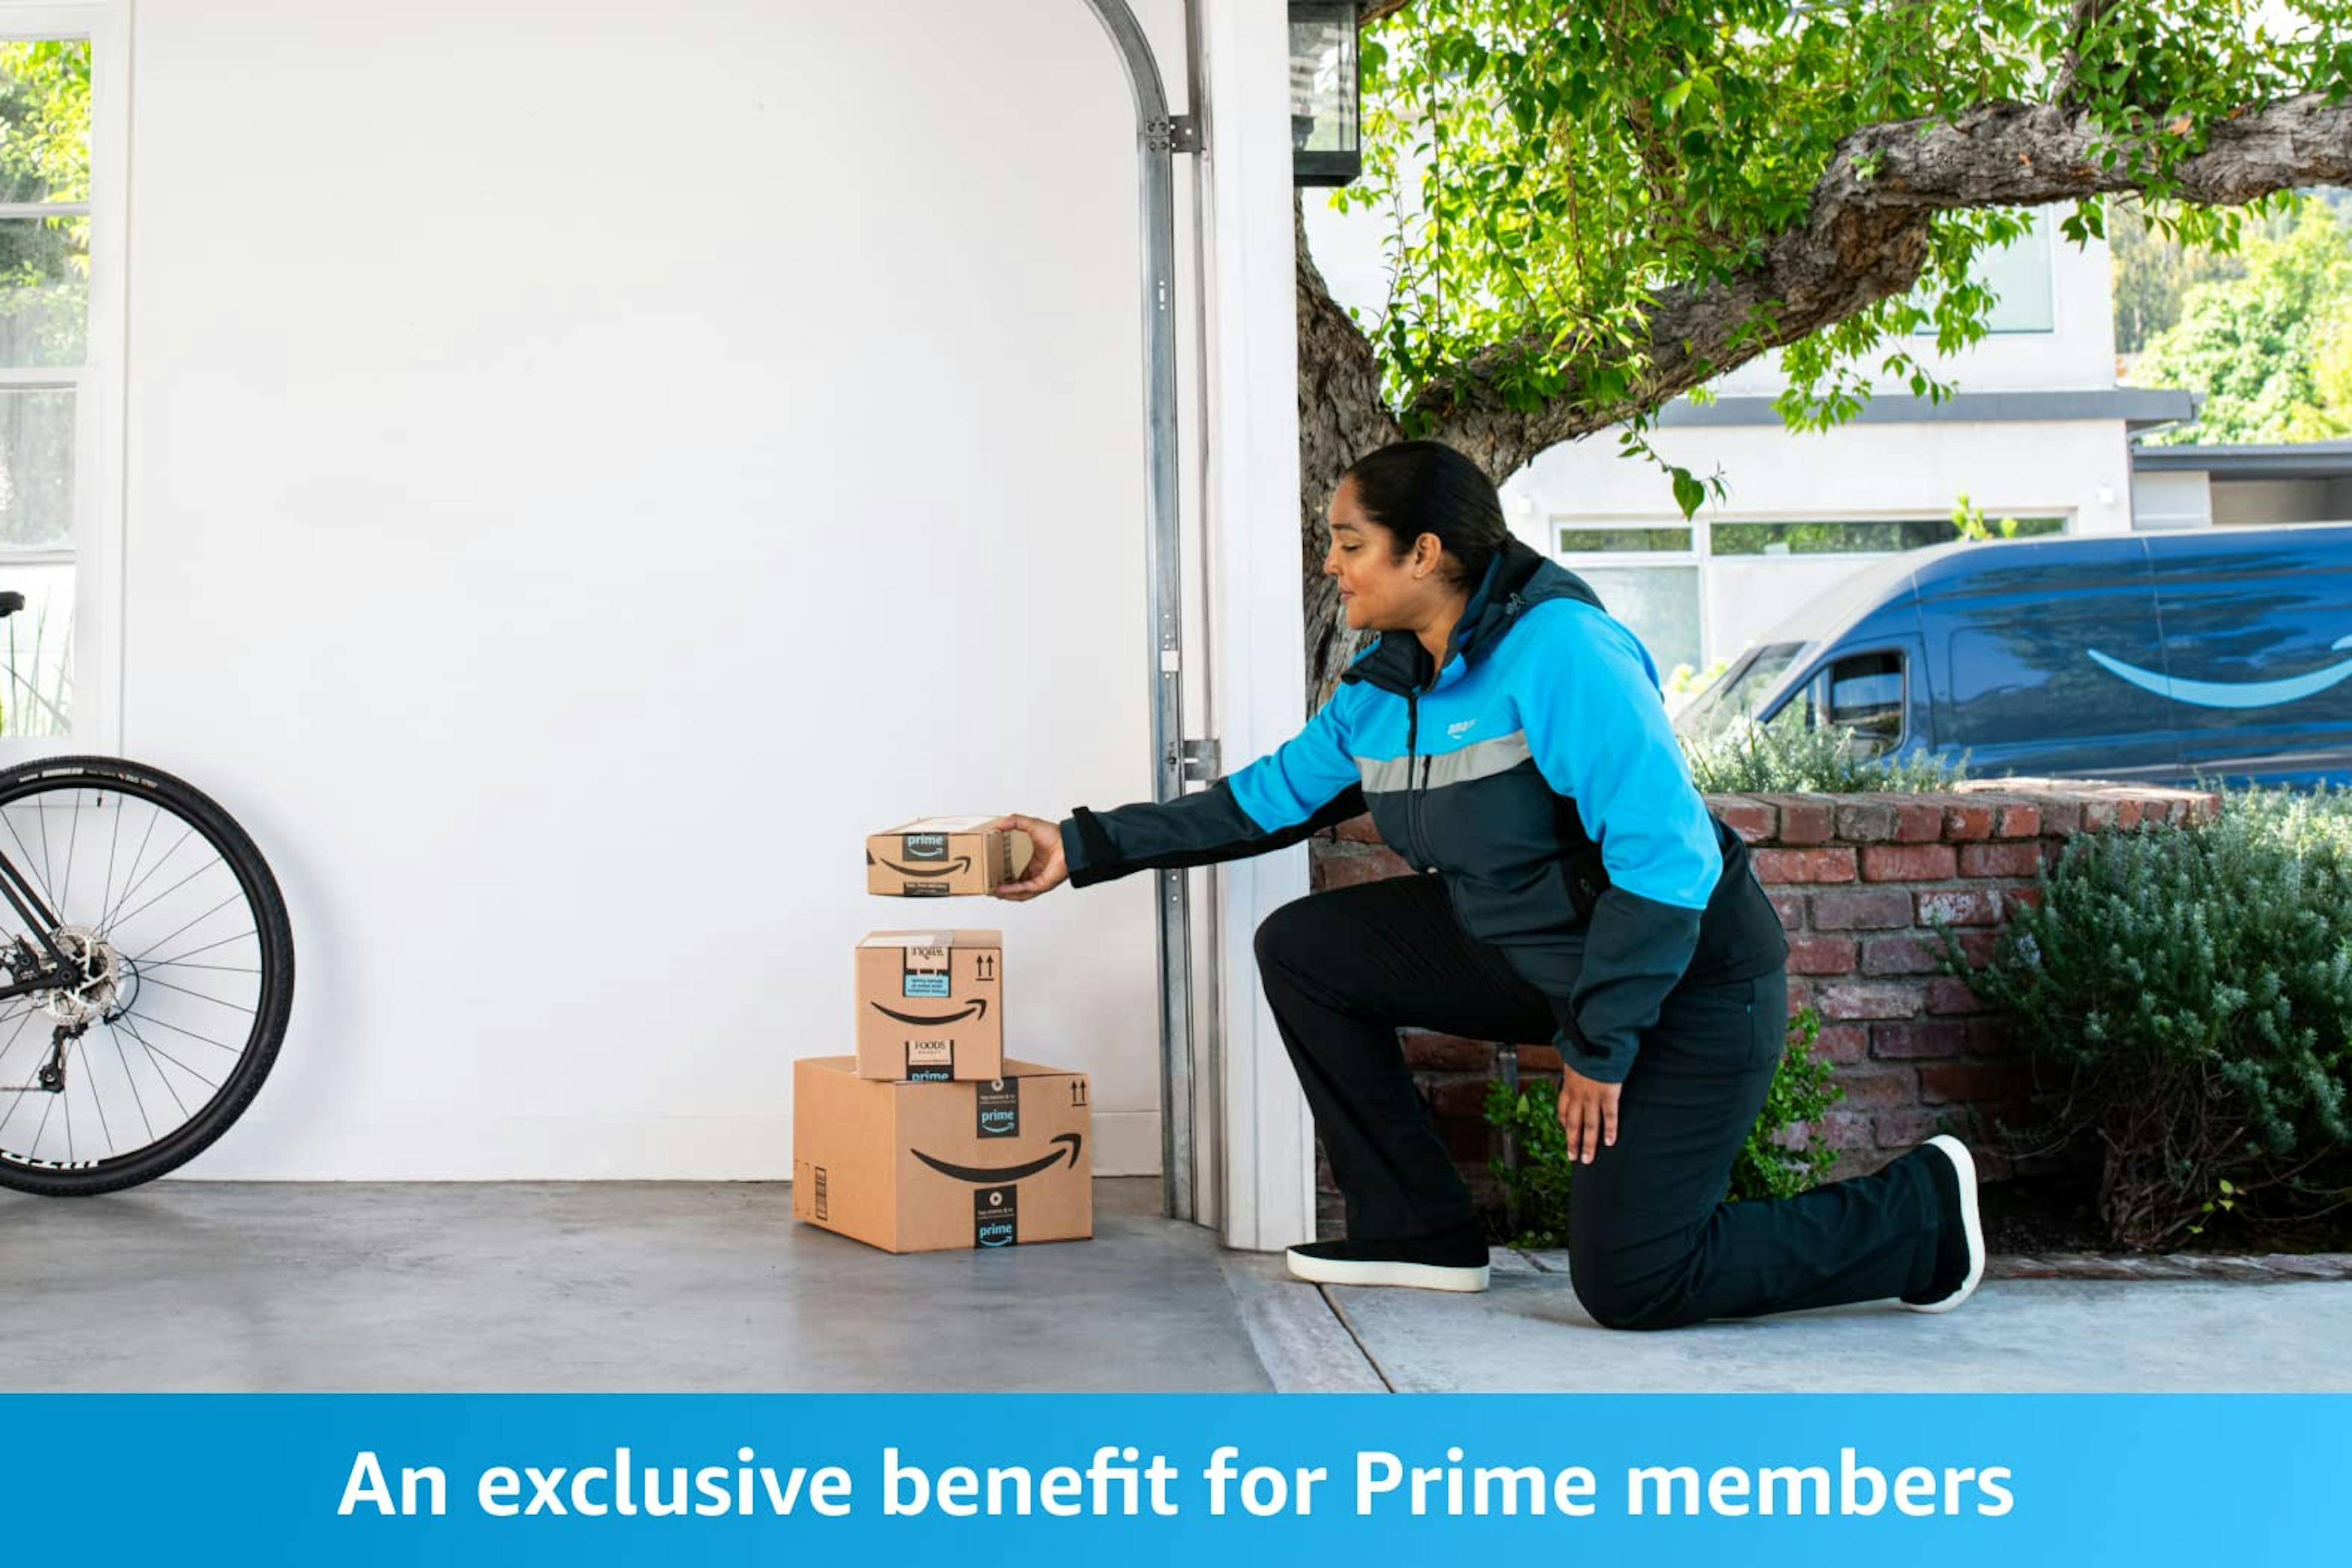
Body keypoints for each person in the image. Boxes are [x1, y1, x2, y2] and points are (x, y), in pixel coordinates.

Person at [989, 439, 1983, 1330]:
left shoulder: (1562, 653)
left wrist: (1600, 1048)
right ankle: (1417, 1229)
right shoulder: (1388, 686)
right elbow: (1261, 803)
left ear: (1423, 553)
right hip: (1538, 952)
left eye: (1349, 543)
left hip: (1687, 983)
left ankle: (1919, 1213)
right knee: (1306, 949)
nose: (1330, 565)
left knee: (1637, 1282)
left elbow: (1668, 862)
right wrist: (1082, 845)